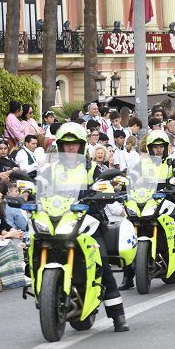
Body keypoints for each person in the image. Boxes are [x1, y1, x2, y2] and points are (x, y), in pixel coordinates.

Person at [49, 123, 128, 331]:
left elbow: (107, 185)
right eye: (66, 145)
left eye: (74, 144)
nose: (70, 148)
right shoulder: (51, 170)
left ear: (82, 146)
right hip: (58, 221)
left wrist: (106, 192)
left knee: (101, 260)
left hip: (88, 222)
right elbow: (37, 188)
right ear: (60, 146)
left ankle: (118, 316)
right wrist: (25, 194)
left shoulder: (92, 168)